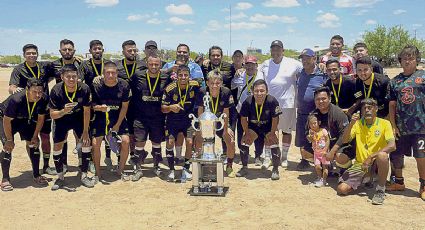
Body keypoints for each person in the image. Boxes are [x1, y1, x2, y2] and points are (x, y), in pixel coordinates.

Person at [9, 44, 55, 175]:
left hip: (43, 107)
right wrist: (14, 90)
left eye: (34, 53)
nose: (31, 55)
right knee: (31, 139)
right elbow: (12, 86)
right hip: (28, 110)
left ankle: (46, 165)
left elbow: (59, 69)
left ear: (37, 54)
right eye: (28, 53)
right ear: (24, 55)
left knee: (45, 137)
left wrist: (76, 59)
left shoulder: (44, 66)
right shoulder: (19, 69)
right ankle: (35, 165)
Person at [338, 98, 396, 205]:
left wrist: (371, 157)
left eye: (370, 108)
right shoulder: (358, 123)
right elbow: (345, 140)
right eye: (364, 108)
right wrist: (351, 124)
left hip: (376, 163)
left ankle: (380, 189)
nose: (367, 110)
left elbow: (392, 146)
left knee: (382, 156)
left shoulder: (385, 123)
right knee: (342, 189)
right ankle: (366, 179)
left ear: (376, 109)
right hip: (361, 163)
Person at [386, 45, 425, 201]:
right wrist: (393, 125)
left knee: (421, 156)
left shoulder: (423, 77)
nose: (408, 61)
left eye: (411, 57)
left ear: (417, 60)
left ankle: (423, 185)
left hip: (421, 126)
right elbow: (392, 105)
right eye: (404, 58)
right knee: (396, 154)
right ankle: (398, 182)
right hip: (401, 127)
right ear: (400, 61)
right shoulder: (394, 81)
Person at [256, 40, 302, 169]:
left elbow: (307, 68)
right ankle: (268, 157)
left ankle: (284, 157)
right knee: (270, 131)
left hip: (288, 103)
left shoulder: (294, 63)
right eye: (273, 49)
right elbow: (258, 80)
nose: (276, 51)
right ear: (271, 50)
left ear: (283, 50)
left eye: (278, 49)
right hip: (269, 104)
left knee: (286, 132)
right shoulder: (265, 64)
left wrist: (319, 66)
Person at [49, 65, 93, 190]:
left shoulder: (84, 88)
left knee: (86, 143)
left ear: (78, 77)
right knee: (57, 146)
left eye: (74, 76)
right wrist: (63, 111)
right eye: (68, 77)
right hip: (61, 119)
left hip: (79, 119)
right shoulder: (56, 90)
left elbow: (86, 111)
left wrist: (85, 131)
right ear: (62, 77)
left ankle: (84, 175)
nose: (71, 79)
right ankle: (60, 177)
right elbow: (52, 114)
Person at [0, 78, 49, 191]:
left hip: (25, 118)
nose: (38, 95)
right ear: (27, 90)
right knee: (8, 147)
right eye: (34, 92)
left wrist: (35, 136)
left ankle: (36, 174)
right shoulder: (16, 99)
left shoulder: (44, 98)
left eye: (40, 92)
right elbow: (7, 120)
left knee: (34, 143)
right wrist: (9, 139)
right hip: (5, 119)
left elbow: (41, 118)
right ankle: (5, 179)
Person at [129, 55, 171, 181]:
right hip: (140, 116)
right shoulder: (137, 76)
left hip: (158, 117)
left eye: (156, 64)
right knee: (139, 142)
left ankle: (156, 166)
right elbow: (125, 85)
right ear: (147, 64)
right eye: (151, 64)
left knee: (156, 143)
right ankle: (137, 169)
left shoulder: (165, 78)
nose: (154, 67)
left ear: (160, 65)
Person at [90, 61, 131, 184]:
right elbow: (91, 105)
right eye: (108, 73)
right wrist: (98, 107)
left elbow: (124, 107)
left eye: (113, 73)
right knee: (95, 143)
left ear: (117, 73)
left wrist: (117, 125)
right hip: (100, 118)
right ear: (103, 74)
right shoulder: (96, 85)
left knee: (126, 141)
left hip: (117, 118)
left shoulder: (124, 85)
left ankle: (120, 171)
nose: (111, 75)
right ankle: (98, 173)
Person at [161, 65, 200, 181]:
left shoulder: (195, 86)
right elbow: (162, 108)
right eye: (180, 75)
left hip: (188, 120)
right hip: (173, 120)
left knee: (189, 142)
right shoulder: (170, 88)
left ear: (189, 76)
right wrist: (171, 107)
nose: (183, 77)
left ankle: (186, 168)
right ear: (176, 76)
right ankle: (172, 170)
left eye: (186, 75)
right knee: (170, 142)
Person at [237, 80, 282, 180]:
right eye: (256, 91)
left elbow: (276, 118)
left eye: (262, 91)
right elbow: (243, 119)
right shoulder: (248, 101)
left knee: (274, 141)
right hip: (254, 127)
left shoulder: (272, 101)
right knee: (244, 141)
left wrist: (273, 132)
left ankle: (275, 169)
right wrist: (247, 133)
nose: (259, 93)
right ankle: (244, 167)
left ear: (267, 91)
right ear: (252, 91)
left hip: (269, 127)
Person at [195, 70, 236, 178]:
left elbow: (226, 112)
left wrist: (226, 129)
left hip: (221, 121)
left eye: (217, 83)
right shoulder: (202, 91)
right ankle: (201, 164)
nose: (214, 86)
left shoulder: (226, 92)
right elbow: (200, 110)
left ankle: (229, 166)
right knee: (198, 139)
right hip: (207, 122)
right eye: (212, 83)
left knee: (230, 141)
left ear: (221, 83)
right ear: (207, 83)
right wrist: (200, 129)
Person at [51, 39, 82, 174]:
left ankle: (83, 163)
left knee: (80, 137)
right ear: (60, 51)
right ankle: (62, 164)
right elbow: (42, 81)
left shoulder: (81, 63)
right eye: (65, 49)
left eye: (70, 49)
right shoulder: (53, 65)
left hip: (78, 106)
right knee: (60, 138)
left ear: (74, 51)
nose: (67, 52)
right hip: (60, 108)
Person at [295, 48, 328, 169]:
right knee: (302, 138)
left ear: (314, 58)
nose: (305, 61)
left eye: (307, 58)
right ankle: (304, 160)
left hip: (316, 114)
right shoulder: (299, 73)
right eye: (303, 58)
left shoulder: (322, 74)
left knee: (318, 138)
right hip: (302, 112)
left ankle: (321, 160)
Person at [310, 87, 353, 172]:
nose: (320, 101)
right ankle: (326, 167)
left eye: (323, 99)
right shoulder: (313, 115)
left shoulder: (338, 113)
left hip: (342, 143)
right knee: (305, 151)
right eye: (318, 99)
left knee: (340, 156)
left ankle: (346, 168)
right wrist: (310, 137)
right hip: (324, 143)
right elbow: (309, 133)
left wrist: (332, 152)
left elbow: (343, 136)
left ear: (329, 99)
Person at [232, 55, 264, 166]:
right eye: (248, 64)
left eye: (252, 64)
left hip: (256, 110)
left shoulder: (261, 76)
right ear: (244, 65)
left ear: (256, 65)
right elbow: (232, 86)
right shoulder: (240, 75)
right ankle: (243, 156)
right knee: (242, 133)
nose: (250, 66)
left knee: (258, 134)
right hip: (242, 110)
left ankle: (258, 156)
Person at [306, 114, 330, 187]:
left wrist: (325, 150)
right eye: (311, 124)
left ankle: (324, 180)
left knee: (325, 167)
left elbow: (327, 140)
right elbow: (311, 140)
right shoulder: (311, 132)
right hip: (316, 153)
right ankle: (320, 178)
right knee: (317, 167)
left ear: (319, 122)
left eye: (314, 123)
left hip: (324, 153)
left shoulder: (323, 131)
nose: (313, 125)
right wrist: (310, 137)